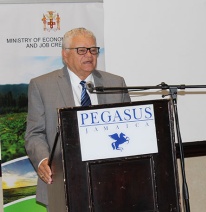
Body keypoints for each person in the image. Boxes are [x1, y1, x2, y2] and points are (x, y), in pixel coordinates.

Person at [24, 27, 131, 206]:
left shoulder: (115, 83)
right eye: (81, 50)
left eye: (93, 50)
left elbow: (128, 129)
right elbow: (34, 134)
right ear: (65, 55)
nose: (89, 55)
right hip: (63, 181)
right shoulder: (42, 86)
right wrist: (44, 160)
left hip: (111, 181)